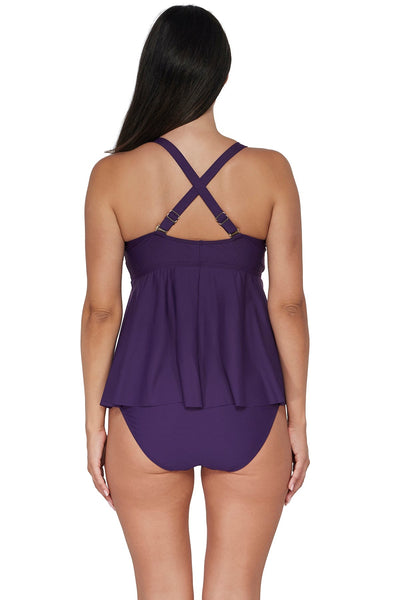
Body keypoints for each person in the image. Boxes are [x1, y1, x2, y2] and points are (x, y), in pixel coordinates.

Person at [80, 5, 310, 599]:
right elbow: (288, 306)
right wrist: (298, 419)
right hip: (251, 406)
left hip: (145, 406)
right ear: (220, 73)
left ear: (153, 70)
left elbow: (102, 312)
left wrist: (92, 424)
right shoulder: (271, 171)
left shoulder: (112, 176)